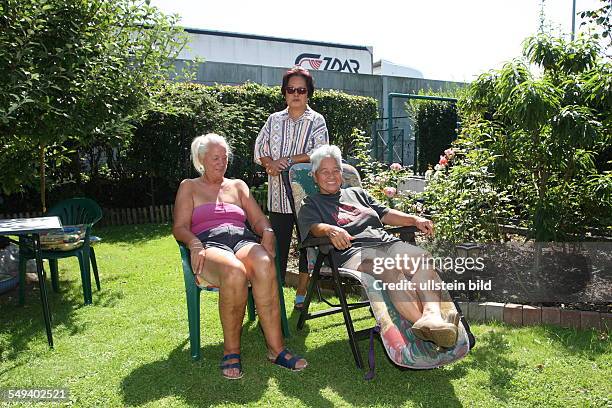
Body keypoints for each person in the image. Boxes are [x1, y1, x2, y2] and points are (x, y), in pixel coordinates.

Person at [297, 145, 459, 349]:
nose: (331, 175)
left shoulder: (357, 193)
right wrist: (330, 229)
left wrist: (415, 219)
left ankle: (432, 318)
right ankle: (429, 331)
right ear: (314, 176)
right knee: (388, 267)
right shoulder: (311, 203)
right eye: (325, 171)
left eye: (336, 170)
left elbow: (385, 214)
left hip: (385, 242)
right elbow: (313, 227)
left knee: (422, 257)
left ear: (341, 173)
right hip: (353, 251)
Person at [173, 133, 307, 379]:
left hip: (242, 240)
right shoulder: (189, 187)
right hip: (210, 243)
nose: (221, 162)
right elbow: (179, 227)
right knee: (234, 272)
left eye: (225, 157)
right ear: (201, 160)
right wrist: (193, 243)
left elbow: (257, 220)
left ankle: (276, 349)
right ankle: (231, 350)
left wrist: (267, 231)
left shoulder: (238, 186)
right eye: (215, 158)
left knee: (265, 264)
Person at [254, 66, 329, 310]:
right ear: (284, 93)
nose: (296, 94)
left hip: (307, 199)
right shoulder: (273, 120)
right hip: (278, 199)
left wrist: (288, 161)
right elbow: (259, 148)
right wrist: (269, 164)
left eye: (301, 90)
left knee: (308, 247)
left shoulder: (317, 121)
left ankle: (301, 292)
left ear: (308, 94)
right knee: (277, 249)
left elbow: (320, 153)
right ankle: (272, 297)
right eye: (291, 89)